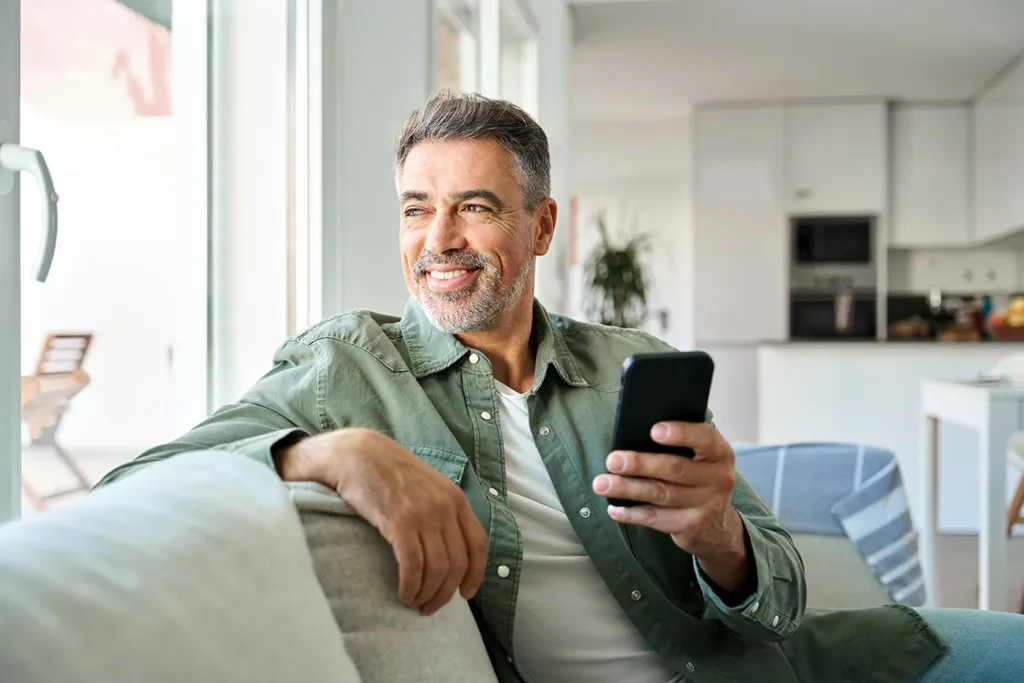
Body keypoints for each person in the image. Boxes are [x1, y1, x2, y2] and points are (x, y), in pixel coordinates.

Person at [98, 92, 1023, 683]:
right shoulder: (348, 366)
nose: (439, 238)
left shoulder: (632, 363)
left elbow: (780, 601)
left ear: (541, 227)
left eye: (476, 206)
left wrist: (724, 537)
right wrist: (330, 450)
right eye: (418, 208)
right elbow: (133, 488)